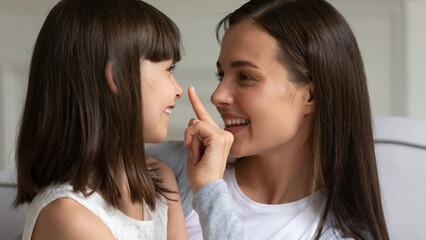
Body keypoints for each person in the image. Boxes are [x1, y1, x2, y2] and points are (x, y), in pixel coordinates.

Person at [146, 0, 390, 239]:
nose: (217, 95)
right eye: (221, 75)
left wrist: (210, 190)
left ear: (311, 96)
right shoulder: (169, 167)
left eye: (245, 76)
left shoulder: (338, 233)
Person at [13, 0, 188, 239]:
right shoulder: (68, 216)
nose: (178, 89)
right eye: (169, 69)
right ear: (118, 76)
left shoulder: (159, 179)